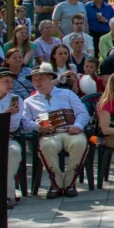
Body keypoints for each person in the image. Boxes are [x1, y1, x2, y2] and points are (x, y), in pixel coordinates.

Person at [20, 62, 89, 197]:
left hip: (70, 131)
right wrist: (37, 127)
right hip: (49, 134)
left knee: (80, 143)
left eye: (41, 78)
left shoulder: (66, 94)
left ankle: (69, 184)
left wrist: (78, 126)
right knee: (46, 146)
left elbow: (82, 113)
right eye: (34, 80)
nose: (37, 82)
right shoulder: (29, 101)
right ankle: (56, 184)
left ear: (50, 78)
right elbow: (25, 122)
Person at [0, 68, 22, 208]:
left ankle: (7, 195)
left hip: (7, 138)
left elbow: (13, 127)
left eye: (11, 81)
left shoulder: (16, 99)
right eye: (5, 81)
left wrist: (10, 115)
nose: (10, 84)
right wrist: (4, 114)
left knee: (13, 151)